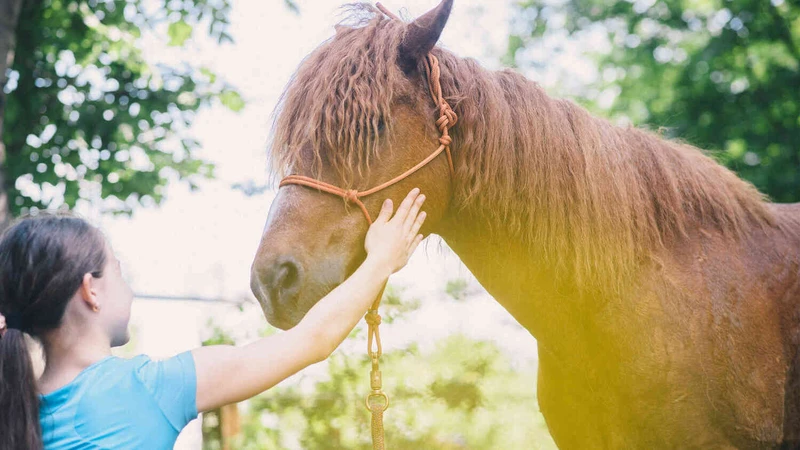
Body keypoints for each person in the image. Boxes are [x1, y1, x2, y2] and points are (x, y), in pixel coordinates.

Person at [0, 188, 427, 450]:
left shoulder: (15, 412)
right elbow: (311, 340)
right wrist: (381, 260)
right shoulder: (148, 390)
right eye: (118, 271)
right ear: (90, 290)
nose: (128, 288)